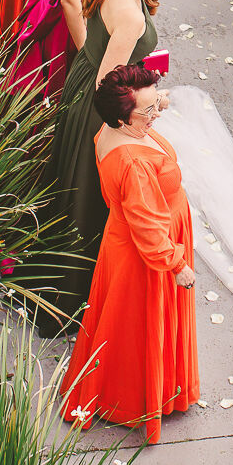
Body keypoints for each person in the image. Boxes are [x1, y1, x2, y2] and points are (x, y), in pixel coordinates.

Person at [60, 64, 198, 445]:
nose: (158, 113)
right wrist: (177, 264)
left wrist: (153, 100)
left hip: (122, 240)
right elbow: (147, 225)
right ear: (125, 117)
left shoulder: (111, 127)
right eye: (150, 110)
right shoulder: (134, 161)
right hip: (145, 254)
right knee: (138, 325)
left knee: (119, 319)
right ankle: (132, 398)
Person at [46, 0, 180, 311]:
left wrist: (147, 66)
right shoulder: (131, 15)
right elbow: (110, 85)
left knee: (71, 191)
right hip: (98, 107)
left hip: (81, 81)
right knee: (88, 203)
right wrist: (153, 100)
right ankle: (77, 298)